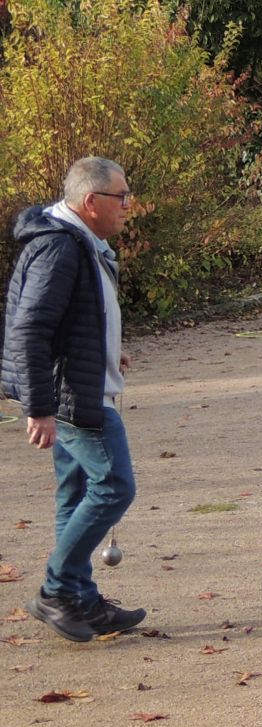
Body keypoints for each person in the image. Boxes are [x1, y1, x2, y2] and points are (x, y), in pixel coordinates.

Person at [3, 157, 149, 643]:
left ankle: (82, 600)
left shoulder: (80, 242)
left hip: (77, 383)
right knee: (113, 486)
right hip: (72, 396)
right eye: (121, 196)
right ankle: (57, 589)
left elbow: (76, 317)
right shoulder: (60, 248)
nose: (129, 205)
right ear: (91, 202)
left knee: (75, 494)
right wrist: (38, 408)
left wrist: (108, 349)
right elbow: (30, 330)